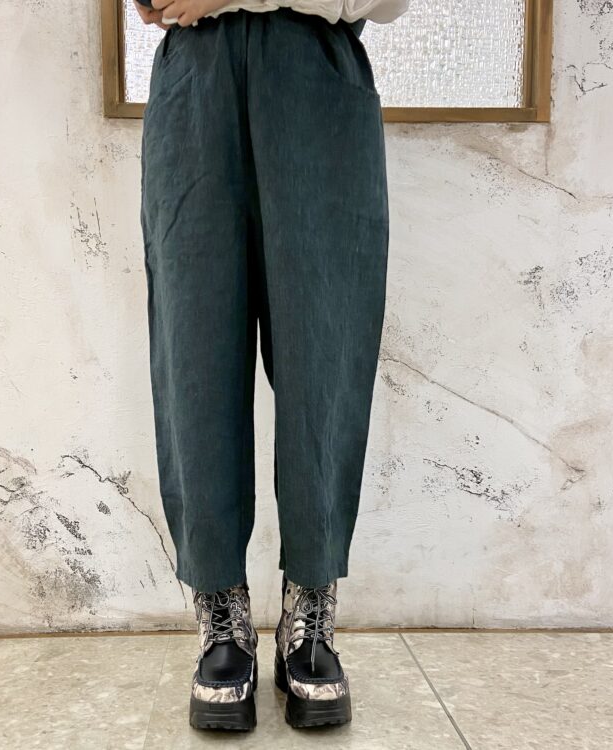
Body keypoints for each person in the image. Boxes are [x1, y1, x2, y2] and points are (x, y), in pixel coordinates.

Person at [135, 0, 407, 731]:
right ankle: (220, 616)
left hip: (316, 80)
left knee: (325, 358)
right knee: (194, 360)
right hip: (196, 88)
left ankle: (310, 612)